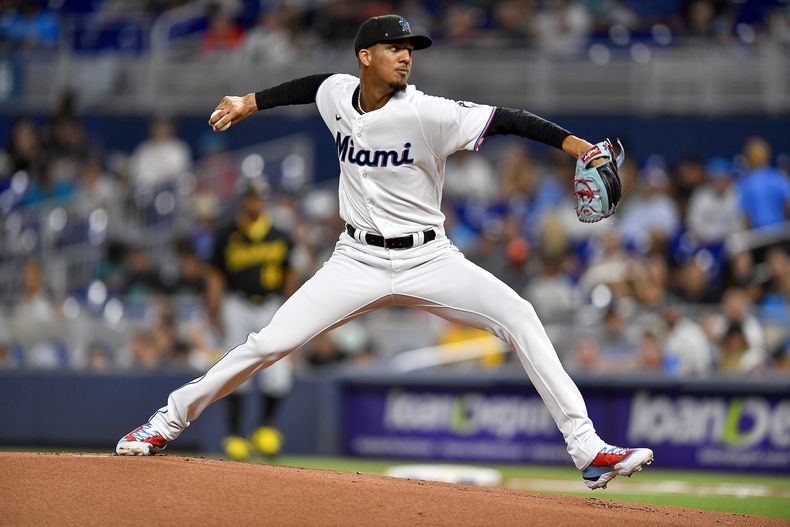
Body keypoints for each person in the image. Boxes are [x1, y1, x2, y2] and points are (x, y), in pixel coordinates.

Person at [117, 14, 653, 490]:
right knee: (268, 343)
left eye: (410, 50)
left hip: (430, 259)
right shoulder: (336, 94)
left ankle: (587, 449)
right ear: (365, 57)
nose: (405, 57)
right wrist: (247, 102)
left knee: (520, 315)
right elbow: (307, 87)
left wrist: (579, 148)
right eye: (395, 48)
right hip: (355, 260)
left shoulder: (427, 113)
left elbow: (509, 118)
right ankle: (164, 423)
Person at [205, 177, 297, 460]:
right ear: (243, 201)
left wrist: (291, 309)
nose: (256, 203)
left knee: (279, 373)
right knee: (236, 369)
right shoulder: (227, 234)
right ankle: (234, 435)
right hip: (236, 304)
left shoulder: (280, 235)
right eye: (252, 198)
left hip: (269, 305)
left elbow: (289, 275)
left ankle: (265, 429)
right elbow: (215, 276)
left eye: (260, 198)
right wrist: (214, 310)